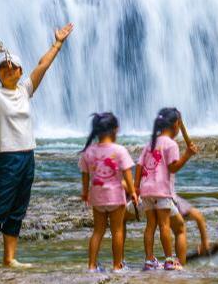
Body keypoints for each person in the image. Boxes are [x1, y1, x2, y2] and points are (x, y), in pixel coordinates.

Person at [0, 23, 74, 270]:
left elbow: (43, 65)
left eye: (11, 67)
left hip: (27, 155)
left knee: (18, 208)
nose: (7, 69)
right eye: (2, 68)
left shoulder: (25, 90)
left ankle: (9, 258)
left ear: (20, 71)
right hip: (6, 158)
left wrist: (58, 43)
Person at [135, 107, 198, 271]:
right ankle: (169, 260)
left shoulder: (150, 144)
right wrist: (187, 155)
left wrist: (136, 187)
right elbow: (173, 168)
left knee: (150, 225)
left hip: (146, 190)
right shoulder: (171, 145)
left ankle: (149, 260)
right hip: (162, 191)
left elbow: (140, 165)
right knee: (164, 225)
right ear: (177, 125)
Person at [78, 112, 137, 273]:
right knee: (117, 230)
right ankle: (117, 266)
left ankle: (91, 266)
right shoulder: (119, 150)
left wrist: (85, 193)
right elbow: (127, 174)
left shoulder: (88, 152)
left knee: (98, 231)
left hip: (97, 197)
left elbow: (85, 174)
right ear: (115, 130)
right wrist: (133, 193)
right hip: (116, 197)